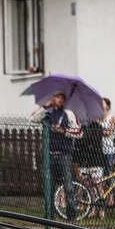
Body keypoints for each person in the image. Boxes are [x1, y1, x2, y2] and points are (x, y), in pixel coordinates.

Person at [30, 90, 82, 221]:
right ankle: (49, 214)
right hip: (50, 155)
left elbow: (79, 132)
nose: (58, 99)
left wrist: (64, 131)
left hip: (64, 154)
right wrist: (45, 106)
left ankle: (71, 215)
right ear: (53, 99)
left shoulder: (69, 114)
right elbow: (33, 119)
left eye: (61, 97)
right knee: (49, 186)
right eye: (56, 97)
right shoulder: (48, 113)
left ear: (64, 100)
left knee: (68, 186)